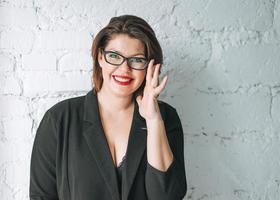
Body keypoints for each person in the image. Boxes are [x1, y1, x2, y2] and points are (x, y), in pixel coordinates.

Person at [29, 14, 187, 200]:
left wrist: (153, 120)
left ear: (150, 67)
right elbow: (41, 196)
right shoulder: (59, 119)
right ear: (100, 58)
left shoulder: (165, 118)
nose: (124, 69)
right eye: (114, 56)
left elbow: (167, 197)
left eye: (136, 60)